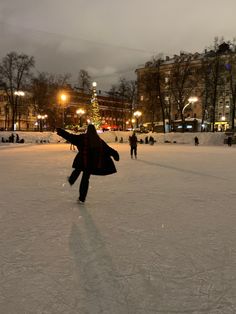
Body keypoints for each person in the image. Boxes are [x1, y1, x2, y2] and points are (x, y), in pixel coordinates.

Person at [57, 125, 119, 203]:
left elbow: (71, 137)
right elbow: (108, 149)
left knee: (78, 168)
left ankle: (71, 180)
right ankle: (81, 198)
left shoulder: (82, 138)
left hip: (82, 160)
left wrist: (61, 131)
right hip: (91, 164)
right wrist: (115, 155)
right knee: (85, 179)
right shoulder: (98, 140)